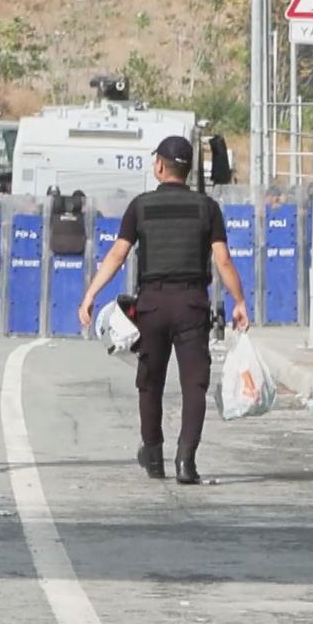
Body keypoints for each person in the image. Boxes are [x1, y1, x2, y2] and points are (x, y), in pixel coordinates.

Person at [78, 135, 249, 485]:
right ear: (188, 170)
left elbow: (117, 255)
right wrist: (239, 301)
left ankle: (153, 455)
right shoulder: (207, 207)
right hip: (191, 305)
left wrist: (91, 295)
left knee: (150, 383)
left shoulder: (140, 207)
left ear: (159, 166)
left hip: (152, 304)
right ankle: (186, 462)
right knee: (194, 386)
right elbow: (223, 261)